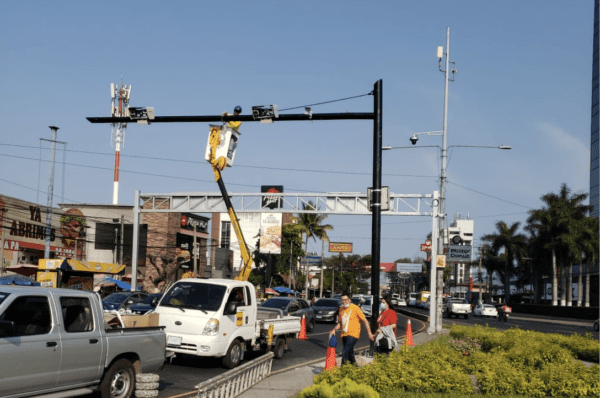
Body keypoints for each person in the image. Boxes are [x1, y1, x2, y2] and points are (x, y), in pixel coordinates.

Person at [329, 292, 374, 365]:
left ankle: (342, 369)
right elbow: (340, 323)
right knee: (350, 353)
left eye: (345, 300)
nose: (344, 302)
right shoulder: (341, 309)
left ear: (349, 300)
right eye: (342, 300)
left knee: (345, 351)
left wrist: (369, 333)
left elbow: (365, 320)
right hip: (344, 334)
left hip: (354, 334)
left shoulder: (355, 308)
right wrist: (334, 330)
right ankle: (354, 366)